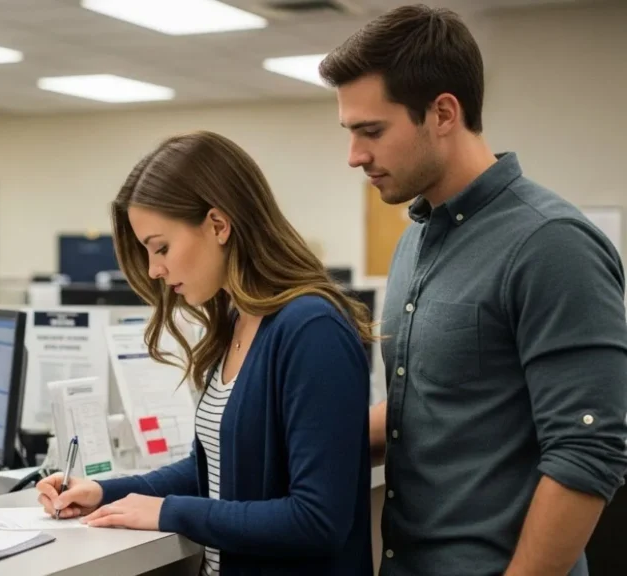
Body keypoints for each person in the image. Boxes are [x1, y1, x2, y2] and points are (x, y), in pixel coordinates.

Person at [319, 5, 627, 576]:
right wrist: (295, 440)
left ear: (443, 113)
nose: (355, 156)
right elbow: (431, 404)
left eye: (372, 131)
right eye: (350, 132)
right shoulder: (415, 239)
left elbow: (589, 451)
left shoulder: (551, 243)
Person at [36, 130, 375, 576]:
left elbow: (317, 521)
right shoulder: (239, 320)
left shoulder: (312, 330)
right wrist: (105, 492)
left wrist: (170, 512)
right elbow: (213, 471)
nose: (154, 270)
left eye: (161, 248)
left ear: (218, 225)